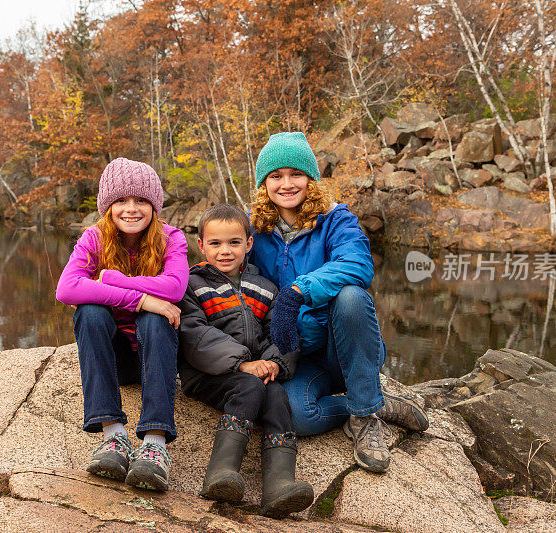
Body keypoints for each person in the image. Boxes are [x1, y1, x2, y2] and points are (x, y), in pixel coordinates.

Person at [248, 132, 429, 474]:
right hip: (295, 357)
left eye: (296, 174)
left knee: (350, 296)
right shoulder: (252, 227)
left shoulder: (336, 219)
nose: (286, 184)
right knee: (298, 417)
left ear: (310, 179)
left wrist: (297, 292)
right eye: (276, 176)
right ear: (264, 183)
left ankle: (365, 419)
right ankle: (372, 402)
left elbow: (357, 264)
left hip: (341, 348)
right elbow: (220, 263)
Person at [55, 157, 188, 491]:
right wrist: (141, 299)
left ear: (154, 205)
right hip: (114, 361)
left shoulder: (172, 238)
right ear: (108, 206)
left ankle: (155, 444)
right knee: (89, 310)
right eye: (121, 201)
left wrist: (112, 280)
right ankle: (114, 436)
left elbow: (174, 287)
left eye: (141, 200)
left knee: (156, 319)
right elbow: (66, 289)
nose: (132, 209)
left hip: (154, 356)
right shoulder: (94, 238)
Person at [177, 204, 314, 518]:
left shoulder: (265, 287)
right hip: (208, 374)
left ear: (248, 244)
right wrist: (242, 363)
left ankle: (279, 486)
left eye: (234, 243)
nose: (225, 251)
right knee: (250, 387)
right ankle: (220, 474)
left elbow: (281, 332)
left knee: (277, 395)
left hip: (254, 371)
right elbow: (195, 334)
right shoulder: (191, 284)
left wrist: (275, 363)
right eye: (215, 243)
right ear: (201, 246)